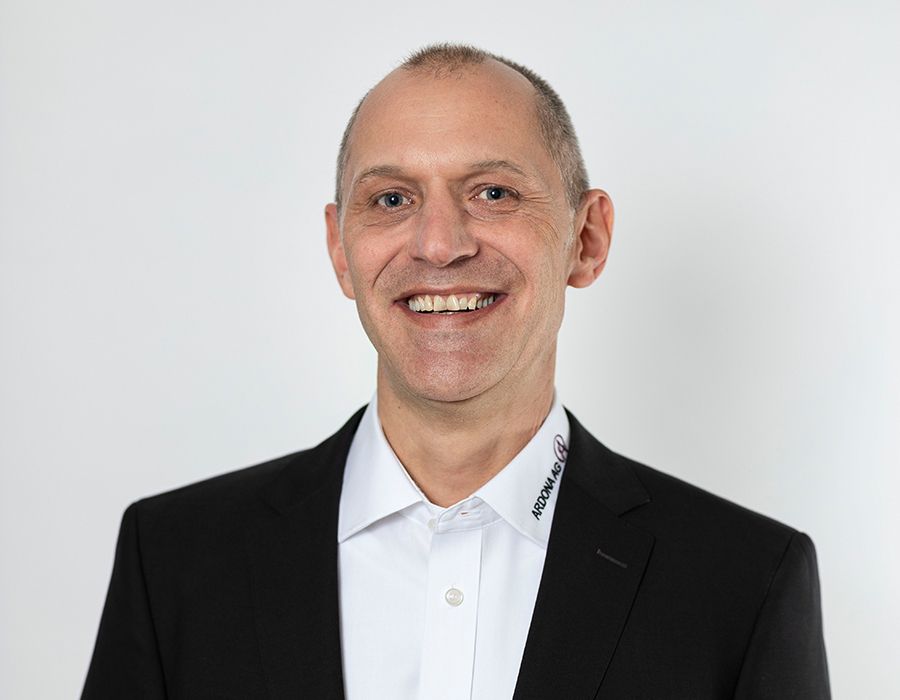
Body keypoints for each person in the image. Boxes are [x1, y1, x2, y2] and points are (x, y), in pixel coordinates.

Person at [82, 43, 831, 699]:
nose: (439, 245)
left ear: (587, 238)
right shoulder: (173, 561)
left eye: (493, 193)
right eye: (392, 199)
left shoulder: (746, 583)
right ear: (341, 250)